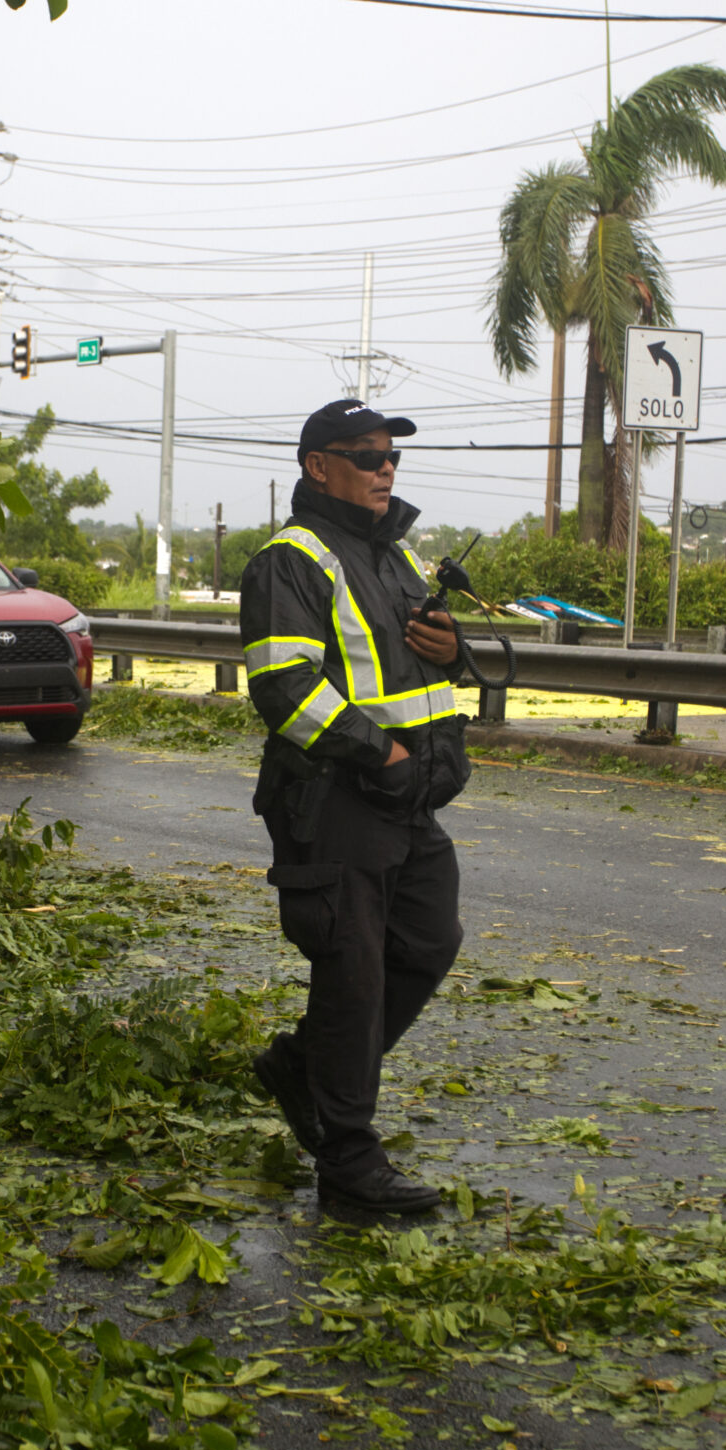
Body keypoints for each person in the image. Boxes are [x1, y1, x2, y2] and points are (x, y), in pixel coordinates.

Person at [238, 398, 473, 1214]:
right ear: (318, 465)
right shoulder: (291, 558)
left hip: (408, 800)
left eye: (392, 458)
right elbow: (285, 689)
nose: (385, 469)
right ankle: (347, 1160)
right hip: (337, 797)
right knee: (355, 978)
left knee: (429, 941)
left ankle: (305, 1071)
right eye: (367, 455)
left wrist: (456, 648)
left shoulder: (390, 556)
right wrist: (384, 752)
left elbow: (408, 664)